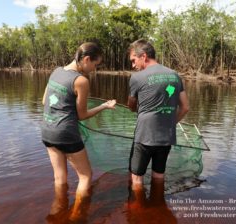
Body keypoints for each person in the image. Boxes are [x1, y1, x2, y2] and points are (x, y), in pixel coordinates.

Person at [41, 42, 116, 198]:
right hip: (66, 133)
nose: (95, 69)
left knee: (59, 177)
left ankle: (58, 212)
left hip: (47, 131)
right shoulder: (81, 81)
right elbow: (82, 115)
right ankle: (76, 216)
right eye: (96, 64)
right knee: (85, 176)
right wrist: (103, 106)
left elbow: (44, 101)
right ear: (87, 59)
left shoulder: (56, 71)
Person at [127, 39, 189, 189]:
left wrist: (136, 108)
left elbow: (131, 106)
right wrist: (170, 123)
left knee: (136, 178)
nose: (133, 65)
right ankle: (157, 204)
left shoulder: (137, 77)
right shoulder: (174, 75)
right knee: (159, 175)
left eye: (134, 60)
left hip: (144, 136)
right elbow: (185, 107)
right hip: (166, 136)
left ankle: (137, 210)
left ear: (144, 56)